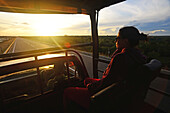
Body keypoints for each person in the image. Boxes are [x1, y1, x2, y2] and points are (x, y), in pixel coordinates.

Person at [63, 26, 148, 111]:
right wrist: (119, 50)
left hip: (107, 96)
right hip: (120, 92)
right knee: (86, 80)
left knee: (67, 91)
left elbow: (106, 82)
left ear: (125, 41)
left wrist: (90, 87)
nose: (116, 41)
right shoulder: (139, 56)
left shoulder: (120, 58)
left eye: (117, 38)